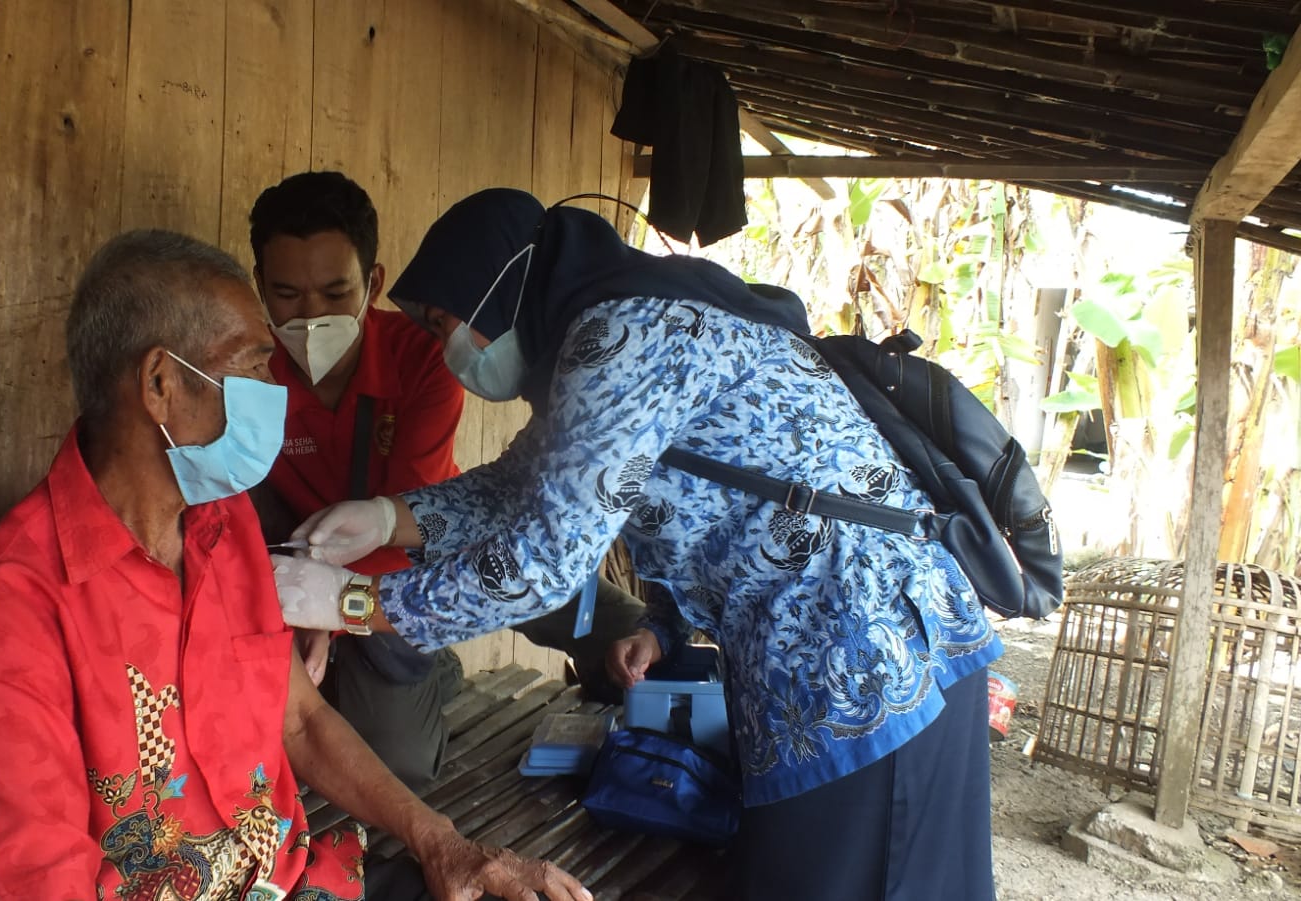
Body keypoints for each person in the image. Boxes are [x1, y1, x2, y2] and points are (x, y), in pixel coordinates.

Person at [267, 189, 1003, 900]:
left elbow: (545, 561)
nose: (447, 347)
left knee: (862, 878)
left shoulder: (620, 339)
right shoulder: (606, 334)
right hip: (836, 643)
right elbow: (522, 485)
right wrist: (389, 516)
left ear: (499, 289)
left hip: (863, 653)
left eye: (443, 322)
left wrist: (354, 600)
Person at [0, 228, 591, 901]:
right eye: (251, 366)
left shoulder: (223, 524)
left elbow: (301, 719)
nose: (274, 386)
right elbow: (38, 878)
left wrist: (442, 842)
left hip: (295, 881)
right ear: (161, 383)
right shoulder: (11, 601)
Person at [248, 171, 646, 788]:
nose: (311, 318)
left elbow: (485, 545)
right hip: (315, 553)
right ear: (260, 291)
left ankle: (438, 657)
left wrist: (337, 608)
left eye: (334, 293)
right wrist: (311, 597)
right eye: (287, 296)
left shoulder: (424, 358)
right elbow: (504, 487)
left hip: (427, 545)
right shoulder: (248, 373)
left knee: (617, 628)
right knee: (386, 759)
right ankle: (427, 664)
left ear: (372, 283)